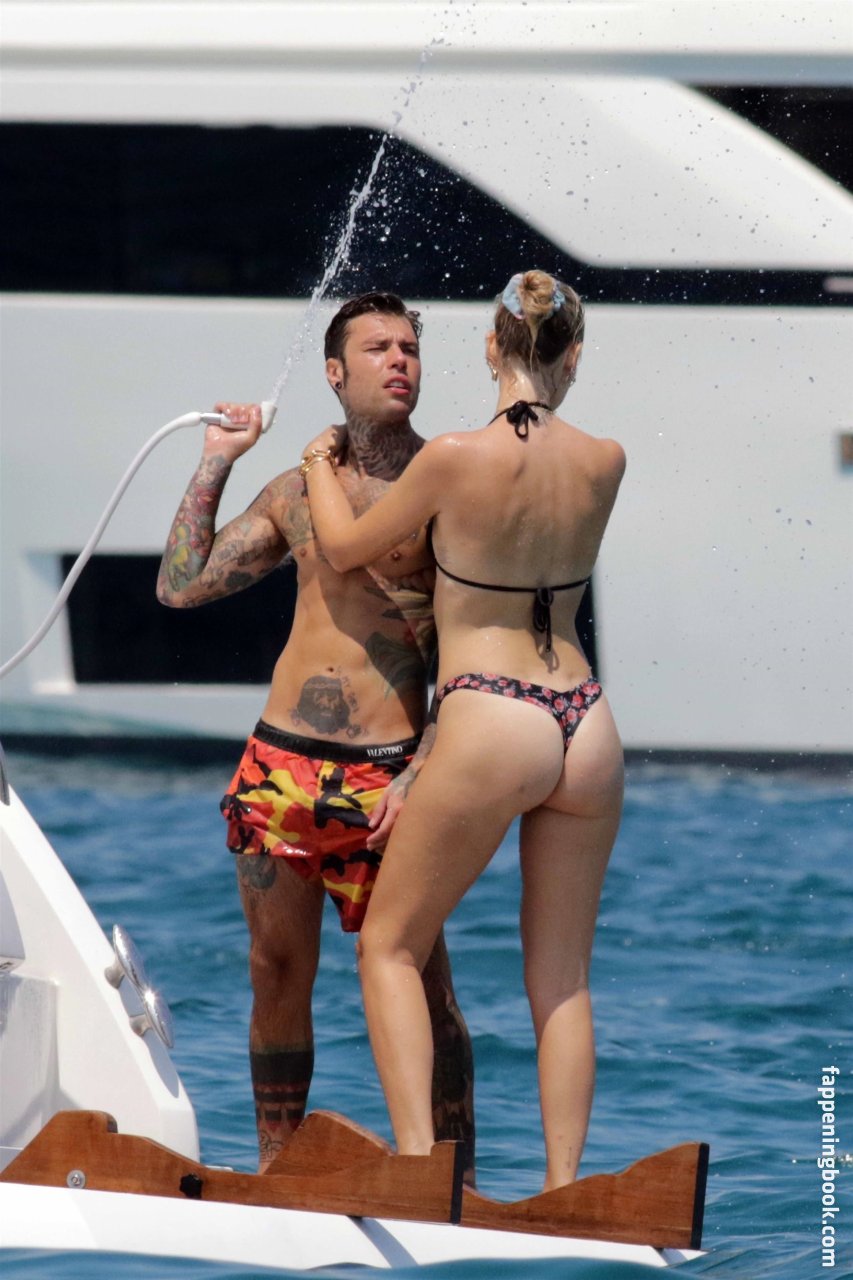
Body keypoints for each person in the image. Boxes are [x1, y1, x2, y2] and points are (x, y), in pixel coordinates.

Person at [301, 270, 626, 1190]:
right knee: (561, 982)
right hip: (585, 721)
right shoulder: (605, 459)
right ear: (572, 354)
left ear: (490, 348)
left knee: (388, 947)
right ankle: (565, 1191)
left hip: (490, 711)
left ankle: (417, 1173)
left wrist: (319, 462)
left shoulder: (451, 456)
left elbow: (344, 548)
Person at [157, 292, 474, 1175]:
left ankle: (453, 1183)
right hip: (280, 768)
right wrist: (217, 460)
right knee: (274, 970)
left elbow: (467, 653)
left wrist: (423, 768)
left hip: (388, 777)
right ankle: (277, 1169)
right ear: (334, 373)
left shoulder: (446, 488)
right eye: (377, 348)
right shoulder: (298, 492)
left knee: (422, 984)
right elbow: (180, 586)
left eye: (409, 347)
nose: (399, 360)